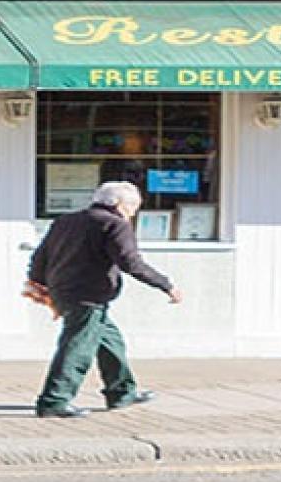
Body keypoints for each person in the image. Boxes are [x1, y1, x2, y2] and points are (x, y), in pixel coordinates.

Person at [28, 177, 180, 418]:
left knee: (111, 343)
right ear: (119, 205)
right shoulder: (115, 224)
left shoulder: (66, 220)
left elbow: (40, 256)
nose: (132, 214)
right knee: (77, 347)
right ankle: (54, 401)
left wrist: (40, 284)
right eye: (132, 208)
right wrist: (165, 284)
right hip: (89, 295)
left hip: (65, 290)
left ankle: (122, 392)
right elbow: (131, 262)